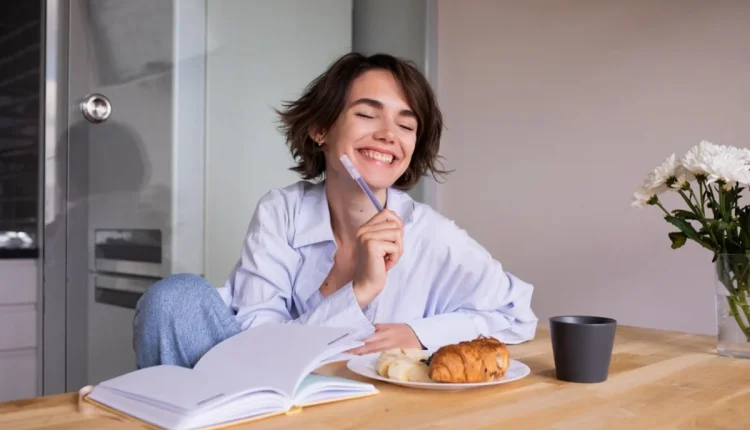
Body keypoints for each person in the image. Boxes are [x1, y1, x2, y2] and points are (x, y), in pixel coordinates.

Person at [133, 52, 538, 369]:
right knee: (175, 298)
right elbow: (258, 347)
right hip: (266, 391)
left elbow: (517, 314)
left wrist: (418, 333)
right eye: (366, 114)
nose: (388, 135)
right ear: (321, 129)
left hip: (370, 411)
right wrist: (359, 290)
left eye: (406, 125)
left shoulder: (431, 234)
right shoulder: (282, 212)